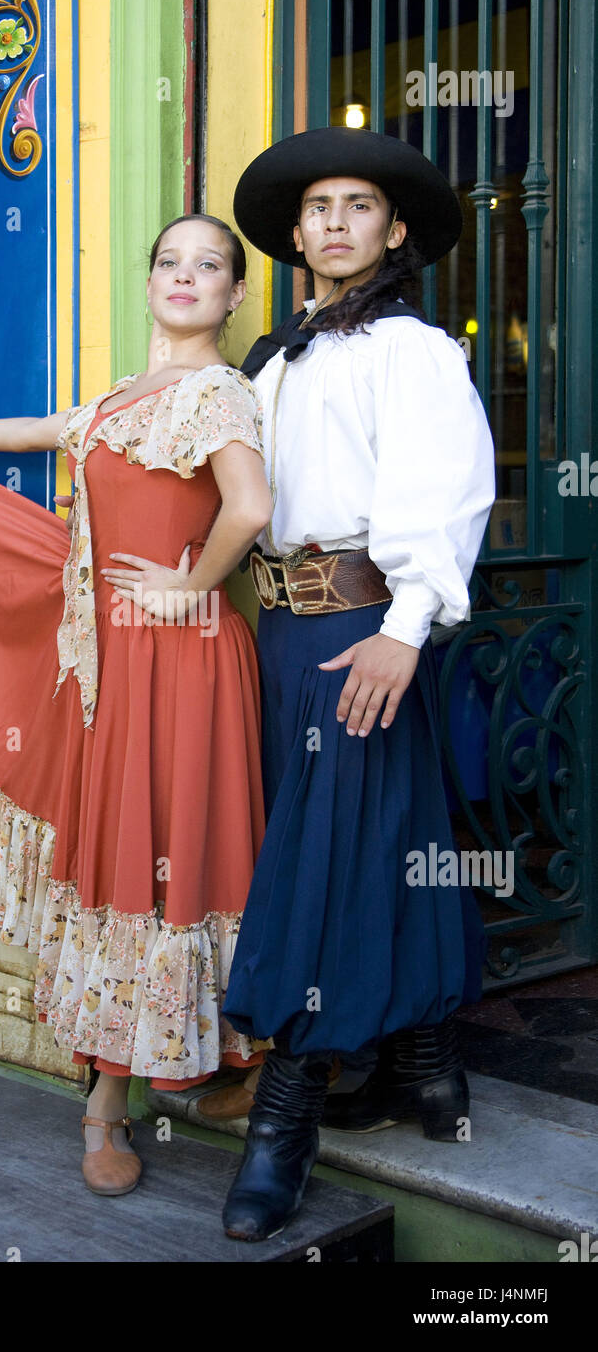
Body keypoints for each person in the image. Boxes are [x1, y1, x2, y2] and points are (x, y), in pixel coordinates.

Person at [0, 214, 272, 1198]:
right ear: (150, 279)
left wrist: (190, 585)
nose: (184, 277)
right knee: (121, 851)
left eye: (208, 267)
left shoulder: (217, 393)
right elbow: (46, 430)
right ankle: (108, 1101)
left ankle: (196, 1073)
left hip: (185, 660)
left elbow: (247, 507)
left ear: (234, 295)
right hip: (113, 663)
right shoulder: (129, 397)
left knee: (177, 849)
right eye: (168, 260)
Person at [219, 127, 496, 1241]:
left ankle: (282, 1126)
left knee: (321, 867)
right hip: (281, 636)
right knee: (384, 838)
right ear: (294, 235)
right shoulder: (273, 363)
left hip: (365, 628)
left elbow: (447, 489)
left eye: (356, 206)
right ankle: (426, 1068)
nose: (333, 221)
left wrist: (407, 624)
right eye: (316, 207)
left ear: (389, 231)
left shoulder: (411, 350)